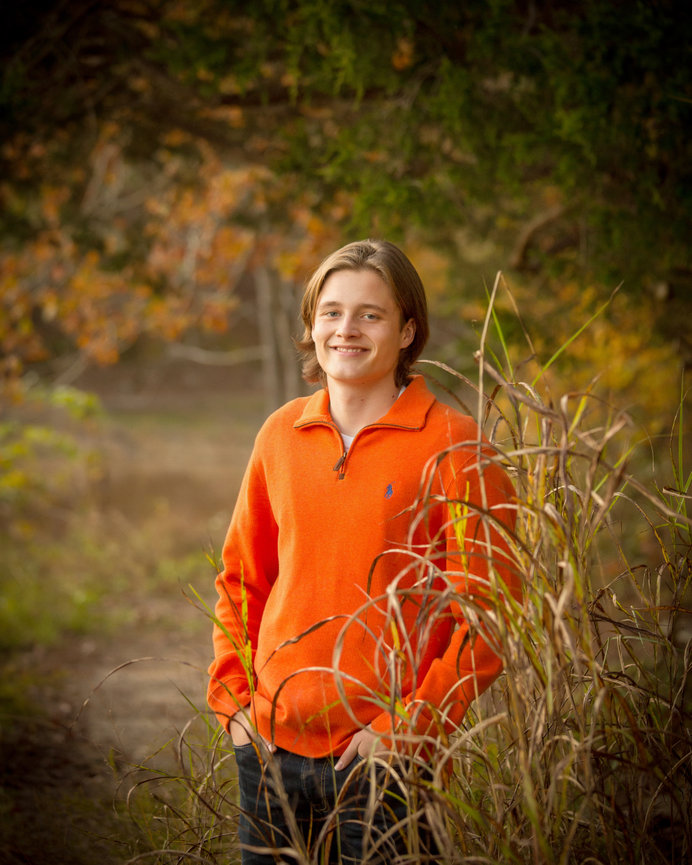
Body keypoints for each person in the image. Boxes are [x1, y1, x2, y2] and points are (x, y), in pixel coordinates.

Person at [207, 239, 518, 864]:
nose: (346, 329)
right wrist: (236, 704)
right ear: (311, 324)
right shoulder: (280, 434)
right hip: (269, 751)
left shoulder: (455, 445)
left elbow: (490, 613)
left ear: (407, 332)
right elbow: (242, 578)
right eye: (331, 312)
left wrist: (408, 729)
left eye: (369, 315)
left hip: (388, 765)